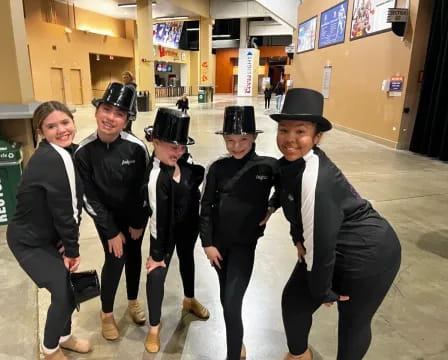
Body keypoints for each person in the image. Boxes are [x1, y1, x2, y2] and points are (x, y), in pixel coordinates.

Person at [270, 88, 402, 360]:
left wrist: (322, 291)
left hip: (368, 253)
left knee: (352, 323)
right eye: (284, 130)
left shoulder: (315, 178)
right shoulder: (291, 164)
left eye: (300, 131)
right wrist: (295, 234)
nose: (290, 139)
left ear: (317, 137)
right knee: (294, 303)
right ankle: (299, 355)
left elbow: (321, 244)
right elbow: (287, 194)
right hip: (328, 244)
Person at [7, 101, 92, 360]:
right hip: (28, 242)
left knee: (64, 288)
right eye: (51, 126)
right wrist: (71, 250)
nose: (61, 130)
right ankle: (50, 349)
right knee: (64, 293)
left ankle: (64, 337)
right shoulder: (55, 159)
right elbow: (67, 211)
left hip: (46, 237)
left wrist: (62, 241)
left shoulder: (60, 153)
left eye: (65, 122)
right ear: (41, 131)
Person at [200, 106, 277, 360]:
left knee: (232, 305)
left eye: (243, 139)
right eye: (230, 140)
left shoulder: (268, 167)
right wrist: (208, 244)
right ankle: (238, 341)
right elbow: (206, 207)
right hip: (219, 248)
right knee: (226, 299)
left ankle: (233, 354)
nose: (236, 146)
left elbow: (290, 187)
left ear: (254, 137)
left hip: (244, 247)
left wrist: (272, 206)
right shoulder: (218, 168)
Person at [75, 82, 149, 341]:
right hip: (105, 215)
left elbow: (142, 187)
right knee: (116, 258)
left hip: (133, 215)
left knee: (135, 255)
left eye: (119, 114)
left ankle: (132, 301)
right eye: (107, 109)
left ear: (127, 120)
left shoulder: (136, 148)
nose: (111, 118)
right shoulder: (84, 151)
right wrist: (111, 231)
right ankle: (106, 313)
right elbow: (88, 197)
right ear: (97, 112)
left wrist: (139, 220)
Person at [143, 108, 210, 353]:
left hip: (188, 226)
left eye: (181, 146)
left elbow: (194, 190)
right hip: (164, 232)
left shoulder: (185, 161)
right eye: (172, 146)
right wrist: (157, 256)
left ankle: (189, 300)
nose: (177, 152)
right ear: (156, 142)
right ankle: (154, 327)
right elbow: (158, 219)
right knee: (156, 274)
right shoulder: (155, 177)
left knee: (187, 260)